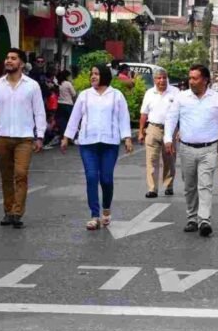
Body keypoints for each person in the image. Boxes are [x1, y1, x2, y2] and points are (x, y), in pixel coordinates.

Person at [0, 48, 46, 229]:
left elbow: (39, 112)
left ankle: (17, 212)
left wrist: (40, 136)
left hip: (24, 138)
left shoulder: (32, 85)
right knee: (6, 176)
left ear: (21, 63)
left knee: (21, 174)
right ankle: (8, 211)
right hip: (2, 136)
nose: (8, 61)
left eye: (13, 58)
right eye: (7, 58)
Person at [62, 64, 133, 230]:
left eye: (96, 73)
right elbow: (75, 117)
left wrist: (127, 138)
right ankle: (94, 215)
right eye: (91, 74)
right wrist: (67, 137)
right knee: (92, 177)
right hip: (88, 143)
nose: (93, 76)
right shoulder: (85, 95)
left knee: (106, 178)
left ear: (104, 75)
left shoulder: (116, 95)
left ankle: (106, 209)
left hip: (110, 143)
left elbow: (123, 118)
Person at [164, 64, 218, 237]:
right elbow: (171, 118)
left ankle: (204, 220)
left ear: (205, 80)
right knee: (190, 186)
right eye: (190, 78)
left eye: (195, 78)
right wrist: (167, 139)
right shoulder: (181, 97)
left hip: (209, 149)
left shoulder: (217, 99)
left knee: (206, 185)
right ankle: (192, 218)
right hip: (186, 148)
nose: (191, 81)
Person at [139, 68, 179, 198]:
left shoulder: (175, 92)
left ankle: (168, 185)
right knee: (151, 160)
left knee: (169, 159)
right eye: (159, 78)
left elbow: (182, 113)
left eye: (164, 77)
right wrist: (140, 131)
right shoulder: (149, 93)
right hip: (153, 128)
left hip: (170, 130)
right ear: (154, 80)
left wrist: (181, 130)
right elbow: (144, 113)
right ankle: (152, 189)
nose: (162, 80)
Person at [56, 69, 76, 137]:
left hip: (60, 104)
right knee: (70, 121)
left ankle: (63, 136)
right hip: (68, 104)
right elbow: (74, 94)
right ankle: (70, 136)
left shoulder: (59, 83)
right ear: (67, 76)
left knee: (62, 121)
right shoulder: (68, 83)